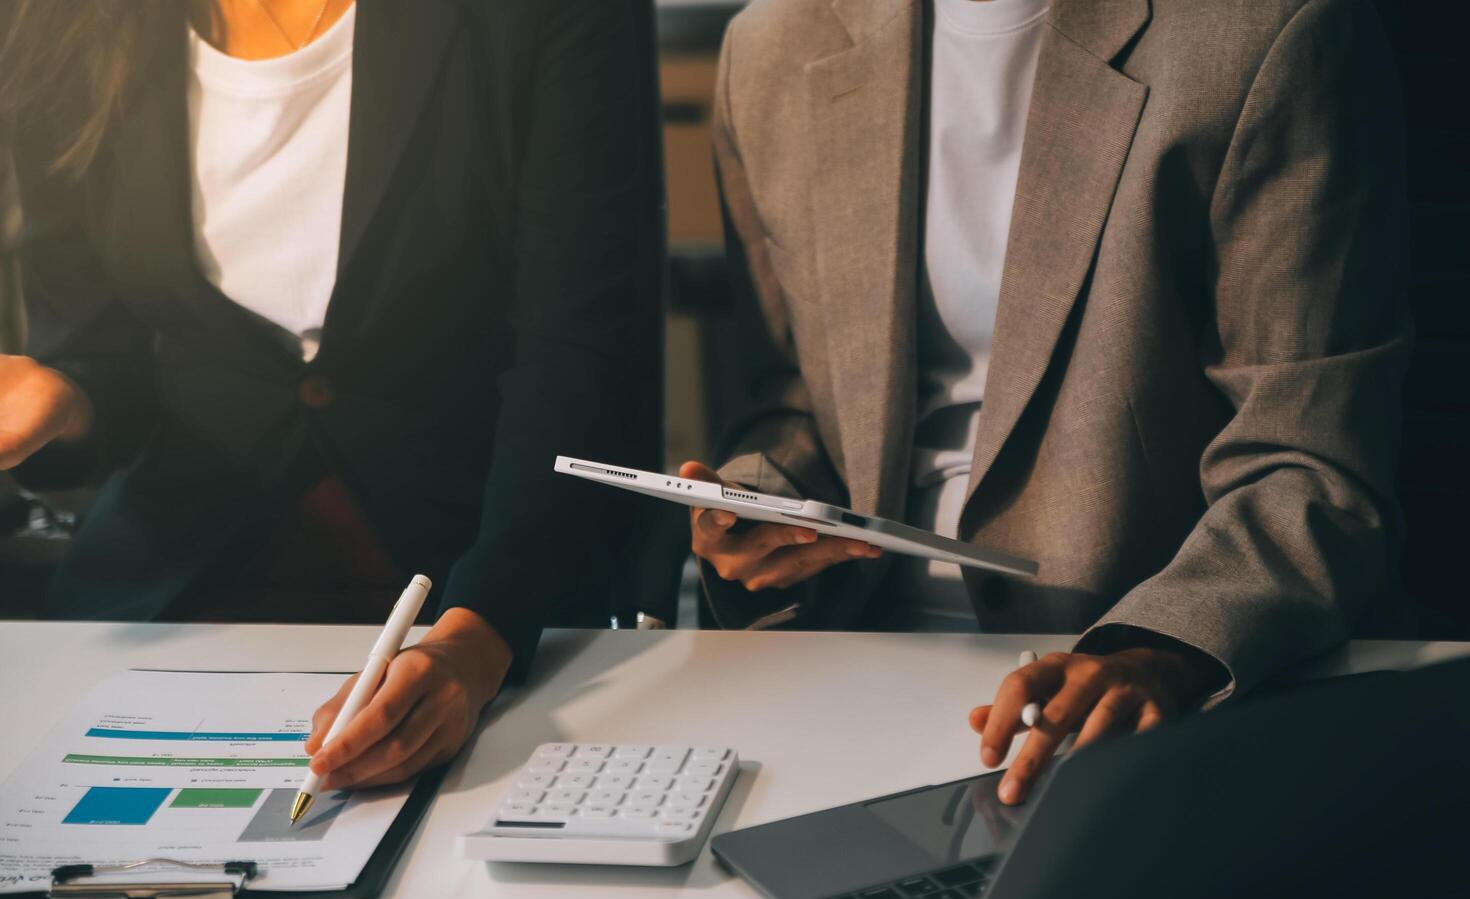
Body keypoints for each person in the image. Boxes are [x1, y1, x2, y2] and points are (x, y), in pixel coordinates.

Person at [685, 0, 1409, 804]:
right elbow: (795, 397)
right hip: (841, 668)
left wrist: (1159, 647)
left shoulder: (1269, 33)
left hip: (1126, 678)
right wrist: (760, 502)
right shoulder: (770, 49)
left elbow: (1308, 457)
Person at [0, 0, 660, 790]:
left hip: (486, 577)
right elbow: (103, 351)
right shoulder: (69, 23)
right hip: (173, 585)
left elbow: (579, 348)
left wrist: (483, 635)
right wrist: (63, 397)